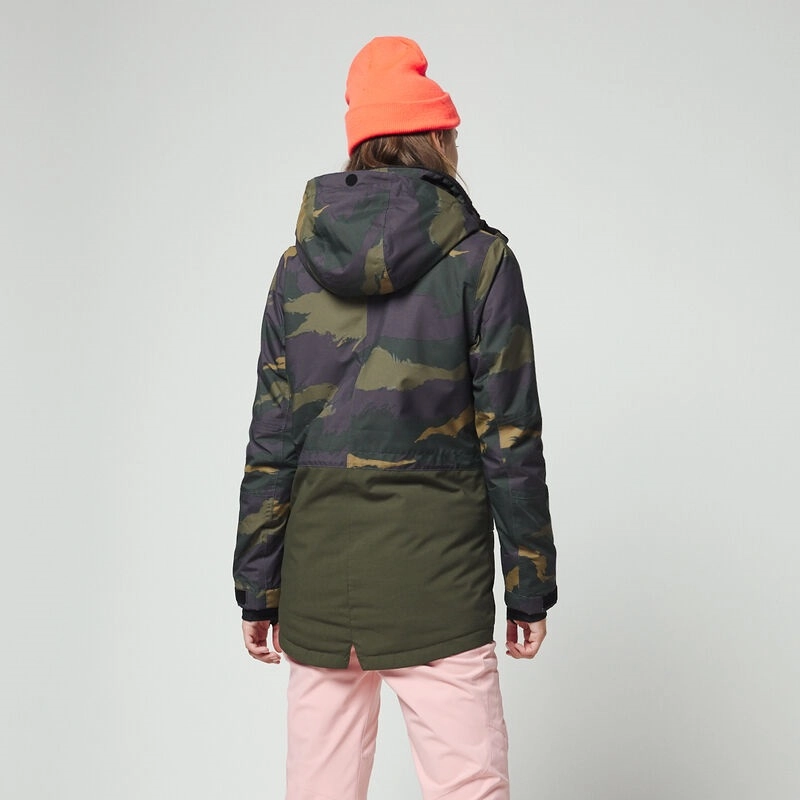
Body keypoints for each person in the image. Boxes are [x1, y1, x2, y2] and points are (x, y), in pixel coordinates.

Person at [233, 35, 557, 800]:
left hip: (321, 583)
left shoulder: (296, 268)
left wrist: (258, 585)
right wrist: (530, 583)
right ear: (438, 141)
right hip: (437, 582)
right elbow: (510, 436)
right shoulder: (481, 261)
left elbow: (272, 440)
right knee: (468, 789)